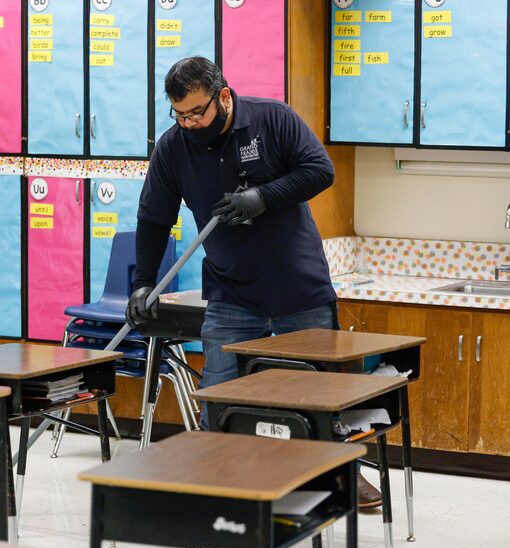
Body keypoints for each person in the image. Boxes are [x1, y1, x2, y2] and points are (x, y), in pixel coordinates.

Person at [125, 56, 381, 511]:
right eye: (179, 115)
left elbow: (320, 171)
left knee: (321, 393)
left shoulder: (273, 119)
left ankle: (342, 473)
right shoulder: (173, 148)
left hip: (298, 288)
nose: (189, 123)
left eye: (197, 112)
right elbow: (153, 219)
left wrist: (262, 197)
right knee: (221, 395)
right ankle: (216, 482)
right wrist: (143, 284)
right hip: (231, 293)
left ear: (223, 96)